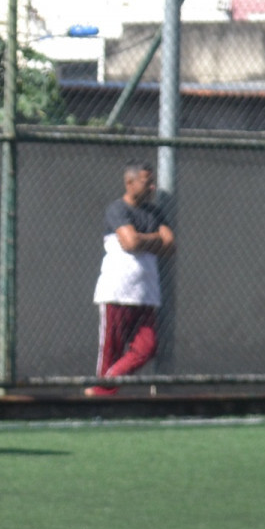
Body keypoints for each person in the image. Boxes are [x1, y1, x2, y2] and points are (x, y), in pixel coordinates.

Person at [87, 161, 174, 397]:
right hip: (116, 293)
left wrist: (142, 240)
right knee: (110, 353)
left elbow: (169, 244)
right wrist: (152, 239)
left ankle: (99, 390)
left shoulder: (154, 212)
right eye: (147, 182)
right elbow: (129, 242)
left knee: (147, 348)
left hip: (146, 297)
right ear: (130, 182)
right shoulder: (117, 209)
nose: (153, 187)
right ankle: (101, 404)